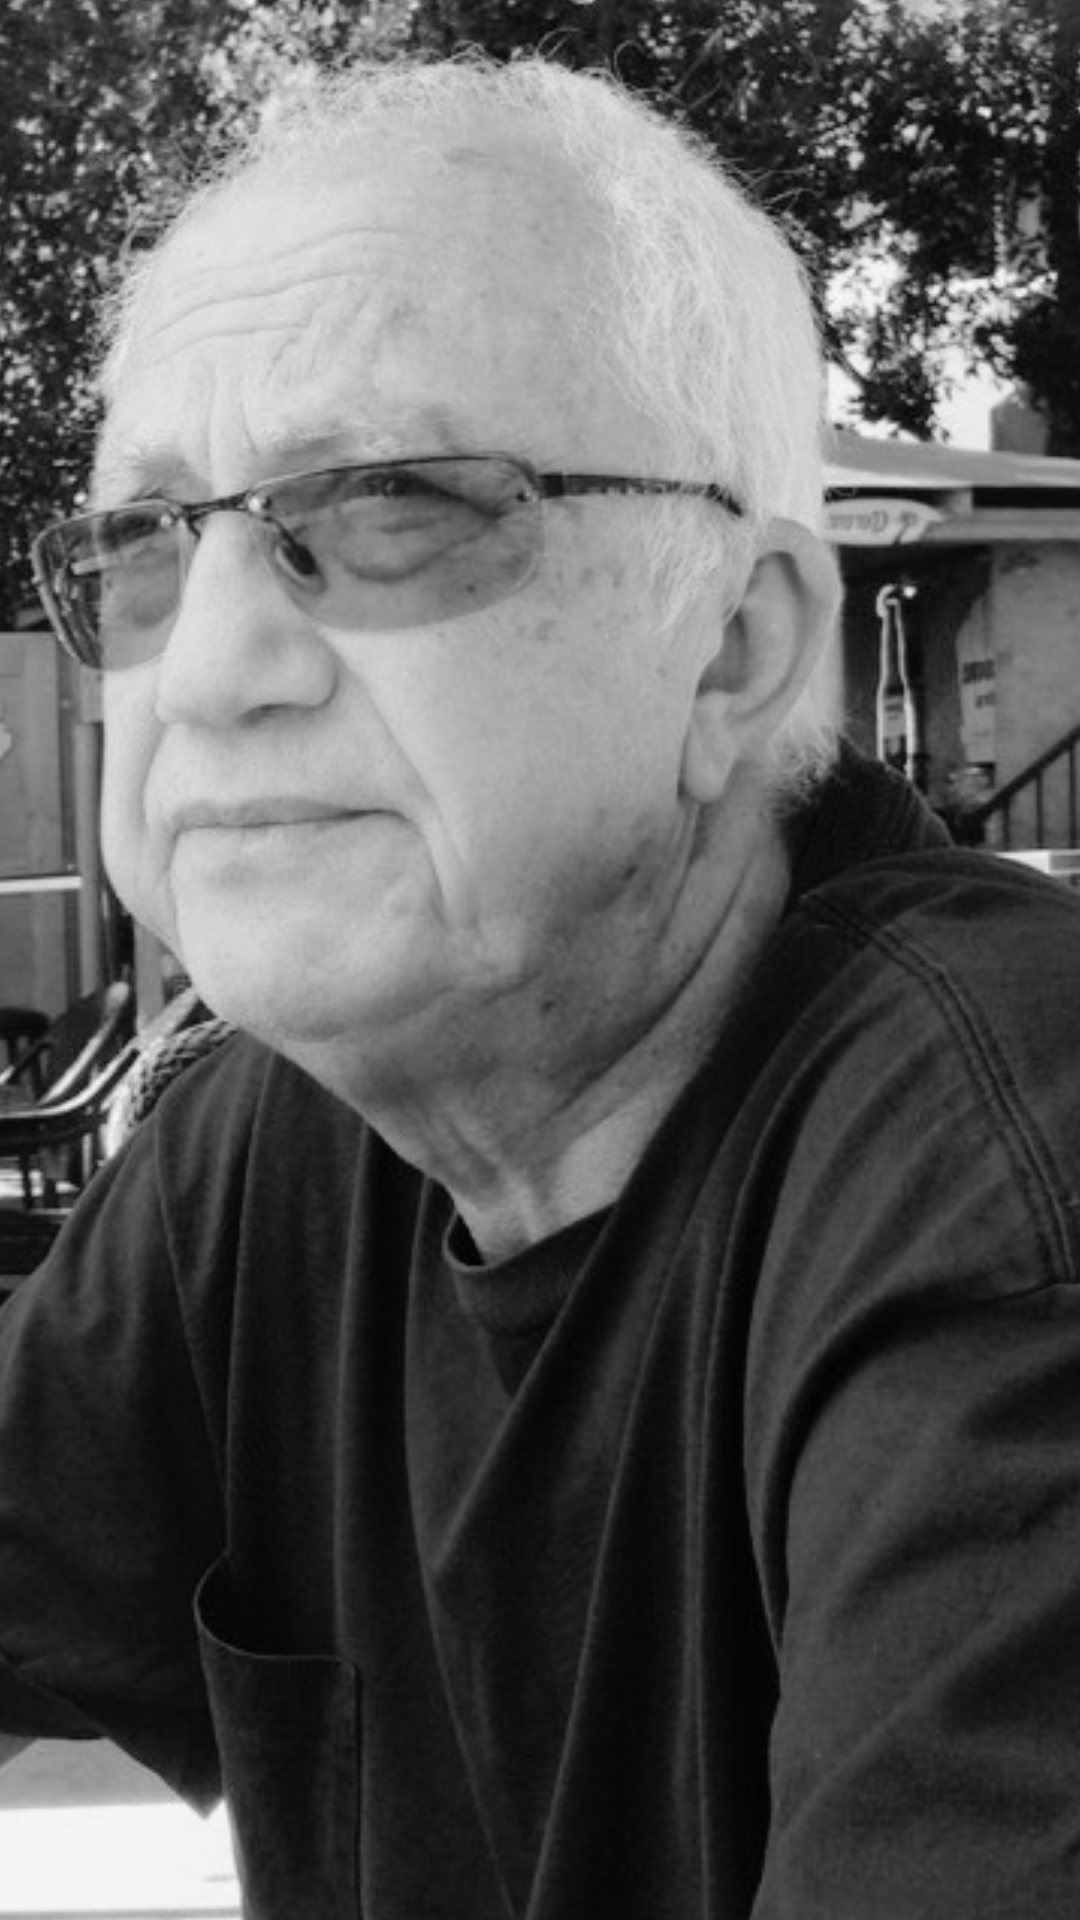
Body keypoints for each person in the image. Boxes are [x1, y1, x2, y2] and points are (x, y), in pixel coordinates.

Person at [6, 52, 1080, 1920]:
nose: (212, 672)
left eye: (392, 503)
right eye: (146, 543)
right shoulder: (274, 1143)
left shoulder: (1000, 1181)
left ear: (732, 649)